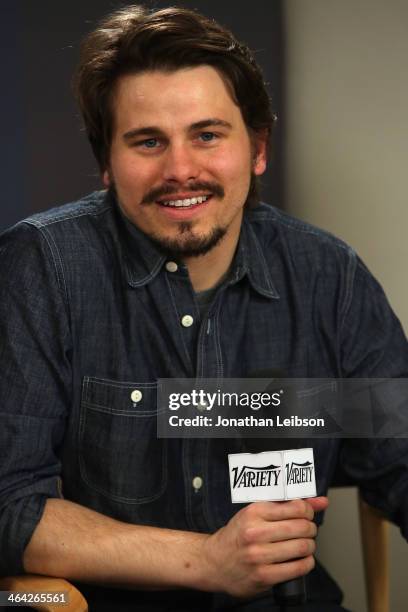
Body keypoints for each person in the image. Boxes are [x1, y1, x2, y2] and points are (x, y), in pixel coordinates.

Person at [0, 5, 407, 611]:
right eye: (147, 142)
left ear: (257, 149)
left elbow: (397, 455)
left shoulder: (327, 276)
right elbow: (9, 505)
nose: (181, 170)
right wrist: (208, 562)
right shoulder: (44, 266)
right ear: (107, 163)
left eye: (208, 134)